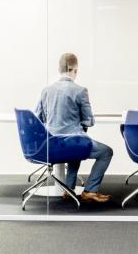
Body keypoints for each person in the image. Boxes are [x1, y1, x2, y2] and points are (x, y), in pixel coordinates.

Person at [35, 52, 113, 204]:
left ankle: (68, 189)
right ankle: (90, 191)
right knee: (106, 152)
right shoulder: (80, 90)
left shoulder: (46, 90)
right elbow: (89, 121)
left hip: (50, 145)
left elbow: (39, 118)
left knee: (77, 140)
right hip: (72, 144)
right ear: (75, 70)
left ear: (59, 69)